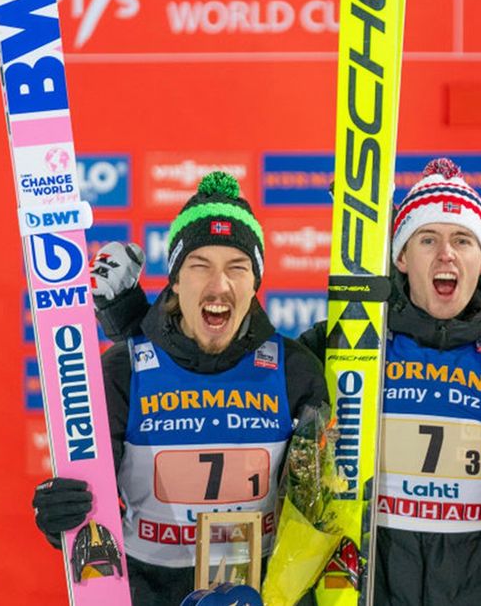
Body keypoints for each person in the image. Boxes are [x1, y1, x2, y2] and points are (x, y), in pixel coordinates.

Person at [88, 159, 481, 606]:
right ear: (404, 257)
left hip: (471, 586)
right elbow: (192, 360)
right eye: (427, 239)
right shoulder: (344, 345)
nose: (446, 253)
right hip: (367, 586)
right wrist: (131, 329)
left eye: (463, 241)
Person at [31, 172, 329, 604]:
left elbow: (317, 510)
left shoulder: (295, 371)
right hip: (146, 591)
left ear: (255, 283)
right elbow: (88, 509)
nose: (219, 284)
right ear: (175, 278)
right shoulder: (123, 370)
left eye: (237, 268)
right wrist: (63, 519)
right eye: (200, 266)